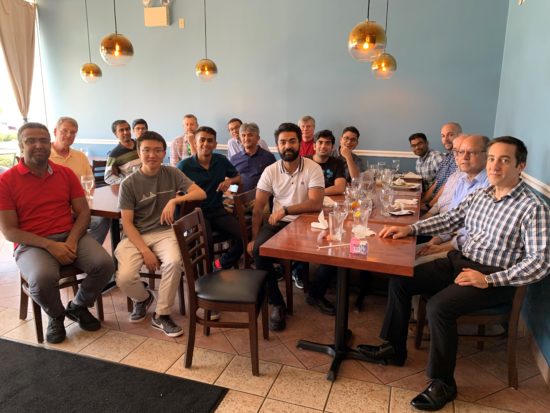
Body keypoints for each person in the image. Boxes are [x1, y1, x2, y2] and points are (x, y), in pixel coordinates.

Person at [363, 136, 549, 411]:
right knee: (401, 280)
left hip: (495, 276)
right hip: (460, 260)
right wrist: (411, 229)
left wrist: (487, 280)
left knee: (439, 307)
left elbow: (541, 262)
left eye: (505, 160)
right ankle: (394, 348)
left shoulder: (533, 209)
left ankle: (444, 383)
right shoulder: (482, 195)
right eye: (492, 159)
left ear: (520, 165)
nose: (495, 166)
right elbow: (451, 218)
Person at [0, 123, 114, 344]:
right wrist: (51, 246)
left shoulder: (65, 174)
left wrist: (71, 240)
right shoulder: (6, 182)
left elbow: (83, 213)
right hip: (31, 244)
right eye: (31, 141)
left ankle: (78, 306)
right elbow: (9, 231)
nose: (39, 145)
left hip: (70, 235)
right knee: (43, 279)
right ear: (20, 145)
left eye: (43, 140)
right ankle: (56, 315)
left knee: (106, 264)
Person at [115, 131, 206, 337]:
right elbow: (127, 224)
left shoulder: (172, 173)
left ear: (164, 153)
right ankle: (143, 297)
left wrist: (175, 200)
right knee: (124, 278)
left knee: (174, 262)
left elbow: (200, 193)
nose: (152, 155)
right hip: (136, 235)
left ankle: (162, 314)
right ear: (139, 153)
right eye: (146, 150)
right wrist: (145, 251)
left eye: (157, 150)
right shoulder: (128, 184)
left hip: (165, 232)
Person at [247, 122, 324, 331]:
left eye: (292, 141)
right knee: (258, 251)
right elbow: (258, 208)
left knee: (333, 250)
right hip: (278, 224)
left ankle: (316, 294)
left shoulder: (313, 168)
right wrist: (254, 238)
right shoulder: (270, 171)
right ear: (277, 146)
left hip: (308, 223)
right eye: (282, 142)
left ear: (299, 143)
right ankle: (276, 303)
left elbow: (316, 203)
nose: (287, 146)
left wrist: (287, 210)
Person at [178, 126, 243, 270]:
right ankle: (203, 278)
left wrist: (229, 182)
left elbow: (238, 179)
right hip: (197, 214)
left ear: (215, 144)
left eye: (210, 141)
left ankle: (220, 264)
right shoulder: (184, 166)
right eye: (202, 140)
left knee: (244, 236)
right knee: (205, 244)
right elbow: (173, 191)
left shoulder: (220, 160)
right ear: (195, 142)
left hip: (217, 210)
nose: (206, 144)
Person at [416, 135, 489, 263]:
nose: (462, 157)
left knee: (410, 264)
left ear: (487, 156)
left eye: (471, 152)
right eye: (460, 152)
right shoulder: (462, 180)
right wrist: (433, 242)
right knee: (405, 254)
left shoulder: (489, 186)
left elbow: (474, 237)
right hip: (450, 238)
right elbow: (451, 220)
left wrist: (439, 248)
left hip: (466, 251)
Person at [49, 116, 111, 245]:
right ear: (55, 131)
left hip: (79, 207)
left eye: (73, 132)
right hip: (55, 210)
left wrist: (84, 204)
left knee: (103, 219)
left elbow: (90, 183)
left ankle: (83, 248)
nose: (69, 135)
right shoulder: (45, 156)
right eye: (64, 131)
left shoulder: (80, 156)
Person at [422, 122, 462, 206]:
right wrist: (421, 202)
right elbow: (436, 184)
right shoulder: (447, 157)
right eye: (443, 136)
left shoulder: (459, 160)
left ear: (460, 136)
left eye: (450, 135)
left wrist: (429, 206)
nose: (445, 140)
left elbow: (447, 187)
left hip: (441, 207)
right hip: (433, 204)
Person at [230, 122, 276, 192]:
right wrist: (233, 193)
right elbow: (232, 182)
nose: (246, 138)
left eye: (250, 135)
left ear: (258, 138)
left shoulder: (269, 157)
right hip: (239, 199)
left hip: (263, 199)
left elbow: (275, 181)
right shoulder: (234, 159)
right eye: (243, 135)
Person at [104, 120, 141, 185]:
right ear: (115, 134)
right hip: (131, 187)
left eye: (127, 129)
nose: (126, 132)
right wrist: (125, 181)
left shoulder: (141, 146)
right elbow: (108, 177)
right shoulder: (114, 155)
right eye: (121, 130)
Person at [310, 129, 346, 196]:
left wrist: (317, 194)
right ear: (314, 146)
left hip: (330, 200)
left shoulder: (338, 163)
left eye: (327, 143)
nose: (323, 146)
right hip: (307, 199)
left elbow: (340, 188)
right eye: (320, 142)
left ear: (332, 147)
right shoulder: (304, 161)